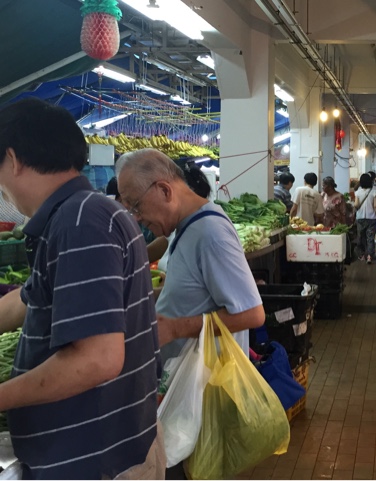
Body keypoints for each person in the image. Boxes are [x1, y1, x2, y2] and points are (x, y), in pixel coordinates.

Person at [0, 98, 164, 479]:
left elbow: (97, 359)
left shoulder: (80, 222)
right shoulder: (82, 212)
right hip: (103, 450)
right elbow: (27, 301)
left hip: (96, 462)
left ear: (13, 160)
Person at [115, 149, 265, 367]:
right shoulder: (187, 226)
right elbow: (191, 296)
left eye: (136, 206)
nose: (136, 218)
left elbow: (251, 314)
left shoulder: (210, 233)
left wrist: (175, 328)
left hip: (206, 381)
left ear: (164, 191)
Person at [354, 173, 376, 264]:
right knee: (370, 237)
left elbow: (356, 205)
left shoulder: (358, 192)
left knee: (361, 237)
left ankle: (362, 255)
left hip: (360, 218)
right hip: (371, 218)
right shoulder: (374, 191)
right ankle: (370, 256)